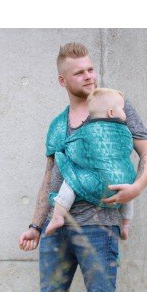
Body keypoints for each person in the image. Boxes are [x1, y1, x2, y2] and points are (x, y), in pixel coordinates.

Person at [18, 42, 147, 292]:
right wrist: (35, 225)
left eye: (91, 69)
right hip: (57, 229)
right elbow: (50, 177)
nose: (89, 76)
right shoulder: (58, 125)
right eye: (80, 72)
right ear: (63, 80)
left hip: (99, 226)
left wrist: (136, 188)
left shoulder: (116, 105)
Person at [45, 87, 135, 240]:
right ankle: (125, 223)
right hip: (119, 182)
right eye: (122, 109)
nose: (125, 113)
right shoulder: (125, 131)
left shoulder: (85, 131)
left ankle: (58, 216)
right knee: (129, 191)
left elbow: (73, 147)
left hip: (92, 183)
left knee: (71, 180)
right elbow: (127, 148)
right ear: (111, 112)